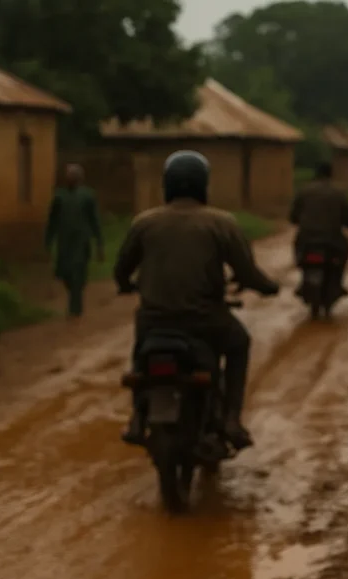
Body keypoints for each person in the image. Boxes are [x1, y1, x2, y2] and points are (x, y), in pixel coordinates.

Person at [115, 151, 280, 449]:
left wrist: (126, 285)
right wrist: (269, 287)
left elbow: (122, 268)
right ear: (203, 184)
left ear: (167, 185)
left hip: (155, 320)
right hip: (205, 320)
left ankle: (138, 417)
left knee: (141, 357)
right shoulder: (221, 223)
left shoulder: (144, 222)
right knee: (239, 343)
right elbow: (247, 272)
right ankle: (231, 418)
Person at [45, 164, 103, 318]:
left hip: (81, 241)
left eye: (73, 175)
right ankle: (74, 298)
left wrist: (99, 244)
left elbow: (95, 220)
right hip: (64, 242)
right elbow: (52, 221)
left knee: (78, 273)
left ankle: (75, 308)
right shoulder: (59, 197)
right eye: (68, 175)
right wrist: (48, 242)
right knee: (64, 273)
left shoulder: (87, 196)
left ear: (80, 178)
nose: (70, 178)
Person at [290, 162, 348, 299]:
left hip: (307, 238)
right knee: (344, 252)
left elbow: (293, 216)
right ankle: (338, 283)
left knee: (299, 251)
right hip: (332, 240)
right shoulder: (339, 192)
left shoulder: (304, 191)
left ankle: (304, 280)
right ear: (331, 174)